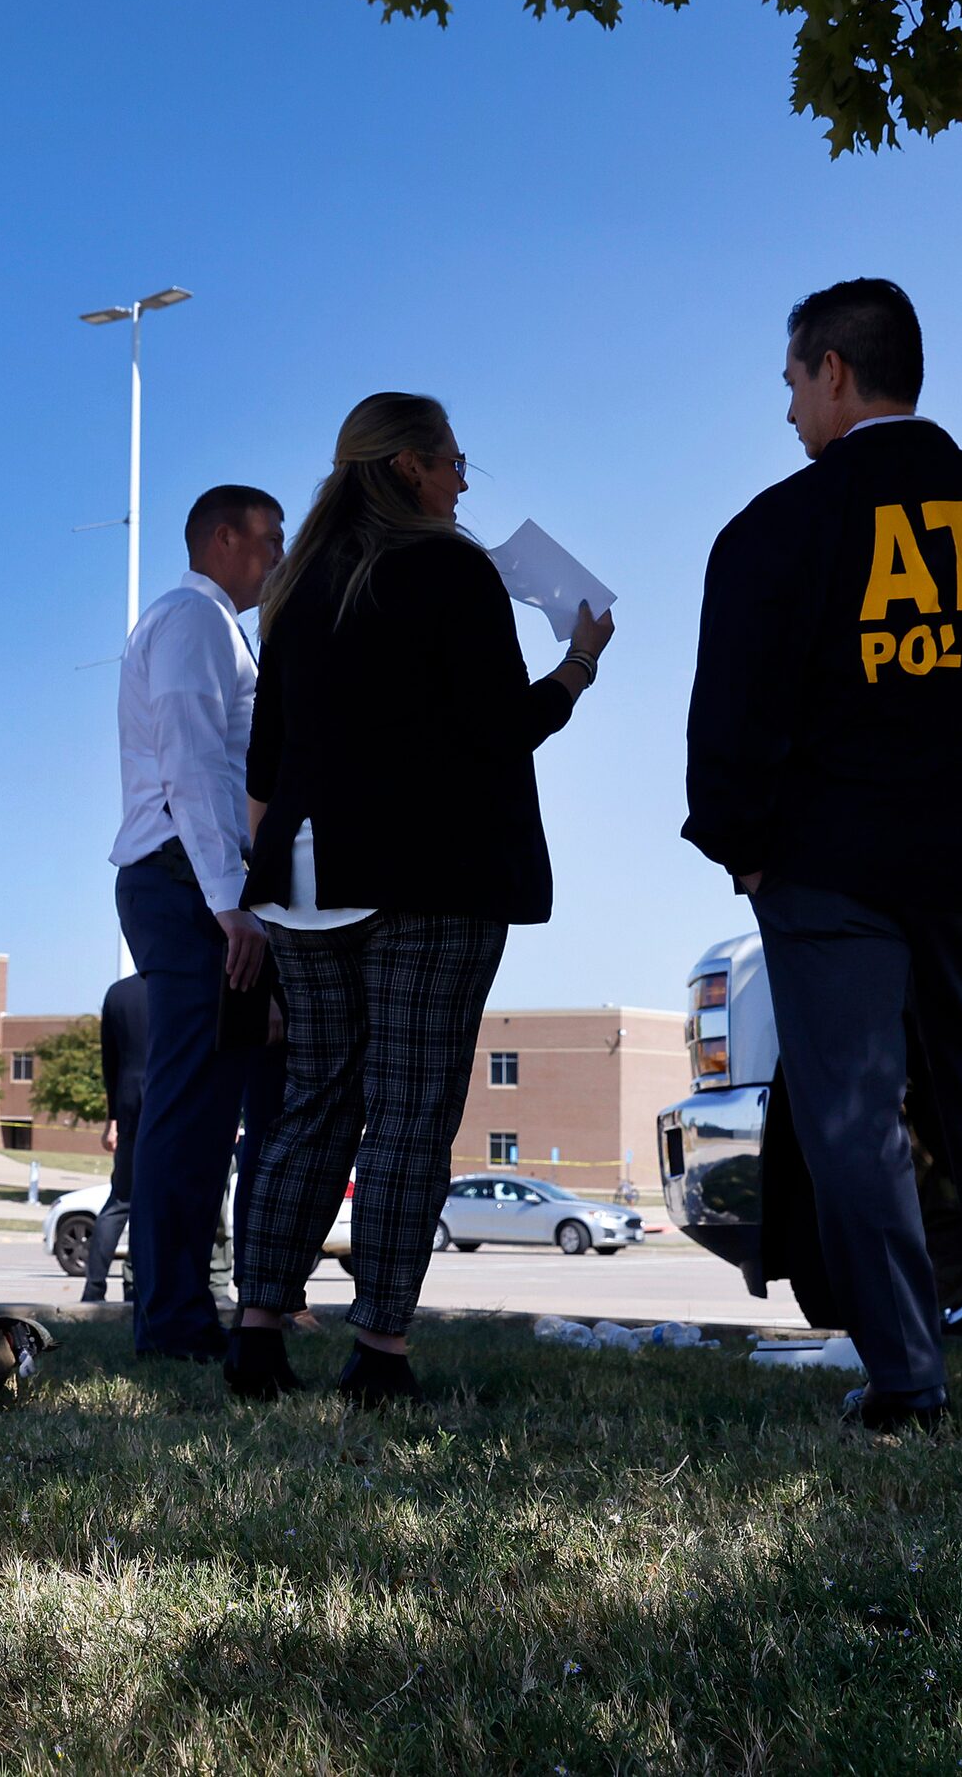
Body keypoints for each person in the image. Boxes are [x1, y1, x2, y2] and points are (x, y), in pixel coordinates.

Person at [682, 278, 962, 1433]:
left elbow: (731, 719)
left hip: (832, 870)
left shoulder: (780, 527)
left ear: (834, 370)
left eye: (791, 382)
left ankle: (905, 1379)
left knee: (852, 1120)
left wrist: (744, 848)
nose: (788, 411)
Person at [223, 392, 613, 1407]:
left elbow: (263, 765)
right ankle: (380, 1355)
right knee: (408, 1112)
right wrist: (578, 664)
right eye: (453, 462)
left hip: (306, 880)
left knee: (311, 1107)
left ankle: (256, 1335)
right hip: (430, 876)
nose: (464, 481)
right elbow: (498, 729)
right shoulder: (451, 569)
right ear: (406, 466)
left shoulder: (295, 589)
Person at [108, 483, 289, 1360]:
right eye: (268, 541)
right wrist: (229, 906)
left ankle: (212, 1310)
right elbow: (193, 763)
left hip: (200, 883)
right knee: (187, 1111)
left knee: (218, 1109)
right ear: (224, 539)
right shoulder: (192, 620)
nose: (278, 558)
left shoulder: (218, 629)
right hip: (185, 884)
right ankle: (173, 1324)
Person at [78, 973, 149, 1303]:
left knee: (120, 1200)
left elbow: (111, 1061)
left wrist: (113, 1119)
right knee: (151, 1203)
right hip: (166, 1098)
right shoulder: (177, 985)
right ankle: (136, 1286)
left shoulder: (118, 993)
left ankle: (94, 1287)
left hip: (128, 1101)